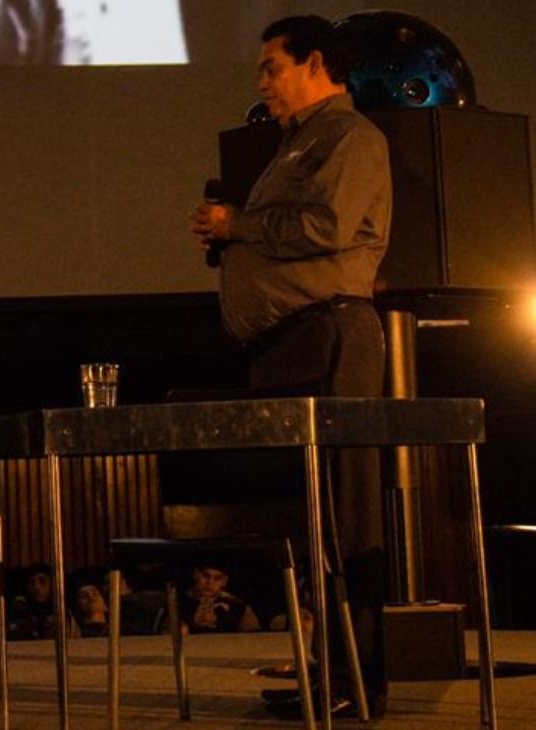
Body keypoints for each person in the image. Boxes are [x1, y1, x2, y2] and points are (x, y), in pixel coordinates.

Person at [189, 14, 391, 720]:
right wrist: (232, 241)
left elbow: (327, 228)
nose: (261, 81)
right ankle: (324, 669)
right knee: (309, 522)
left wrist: (237, 227)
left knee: (343, 515)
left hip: (330, 338)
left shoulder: (349, 137)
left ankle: (356, 683)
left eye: (272, 65)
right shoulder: (296, 144)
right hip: (287, 345)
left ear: (315, 64)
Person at [178, 565, 261, 634]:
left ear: (224, 581)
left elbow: (252, 636)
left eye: (217, 578)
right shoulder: (177, 603)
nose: (210, 582)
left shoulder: (237, 606)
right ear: (196, 574)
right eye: (206, 576)